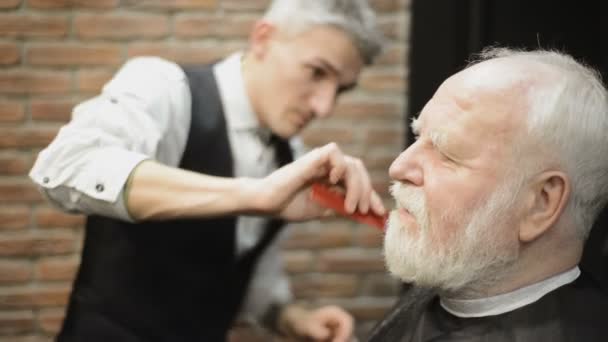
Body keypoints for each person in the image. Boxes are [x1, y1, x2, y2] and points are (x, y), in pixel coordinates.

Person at [29, 1, 386, 341]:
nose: (324, 106)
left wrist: (291, 318)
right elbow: (66, 165)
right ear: (263, 38)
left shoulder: (290, 156)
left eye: (341, 89)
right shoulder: (165, 89)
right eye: (317, 72)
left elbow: (247, 274)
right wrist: (255, 194)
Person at [368, 47, 608, 341]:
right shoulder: (452, 280)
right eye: (419, 136)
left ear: (540, 203)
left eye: (446, 153)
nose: (399, 167)